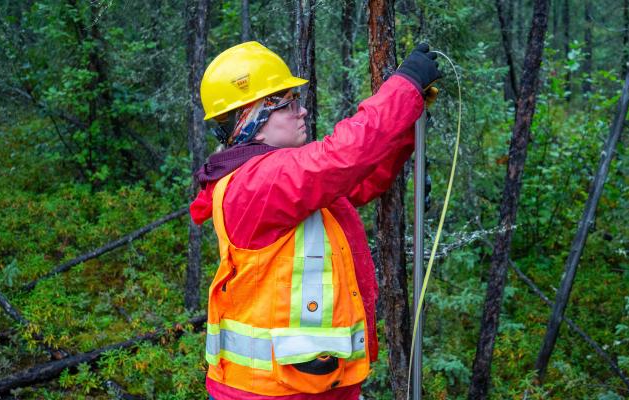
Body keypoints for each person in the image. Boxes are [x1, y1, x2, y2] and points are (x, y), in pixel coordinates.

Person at [189, 41, 441, 399]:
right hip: (267, 392)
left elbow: (358, 180)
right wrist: (404, 88)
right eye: (288, 104)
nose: (302, 111)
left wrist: (402, 127)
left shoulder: (283, 183)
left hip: (310, 384)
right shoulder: (256, 183)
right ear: (253, 121)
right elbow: (340, 158)